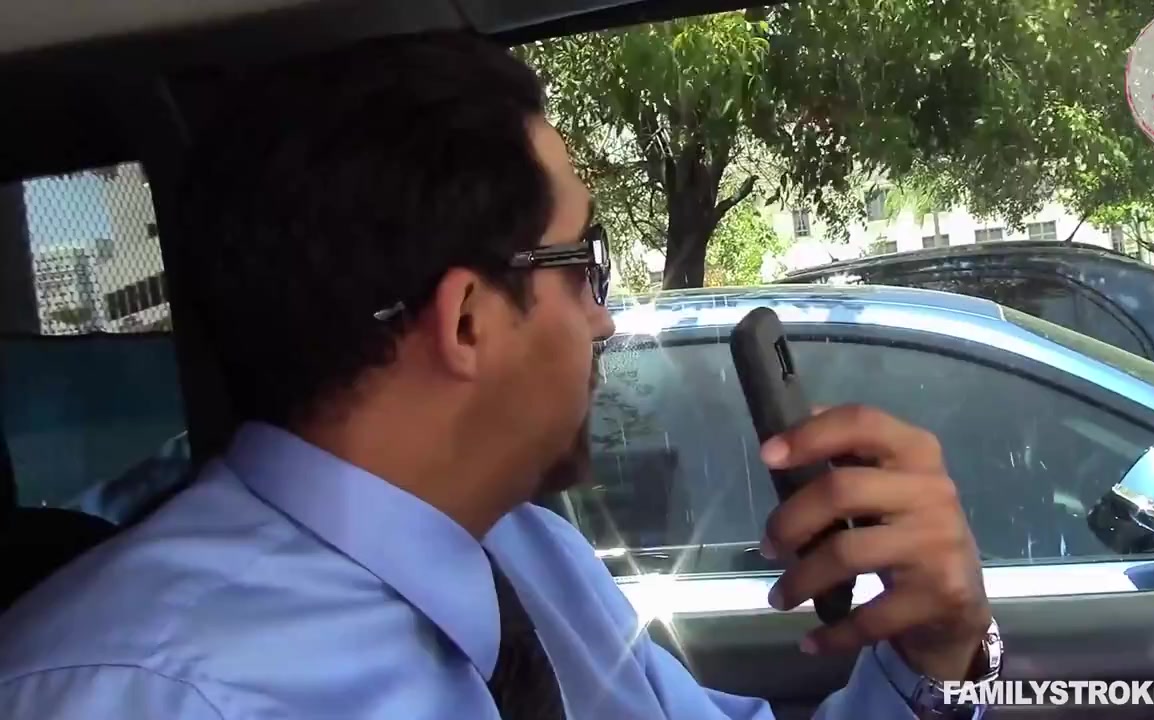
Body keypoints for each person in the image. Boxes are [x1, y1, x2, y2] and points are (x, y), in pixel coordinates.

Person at [0, 33, 997, 719]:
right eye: (584, 262)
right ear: (468, 319)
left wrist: (946, 658)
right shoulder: (126, 692)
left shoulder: (532, 561)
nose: (604, 317)